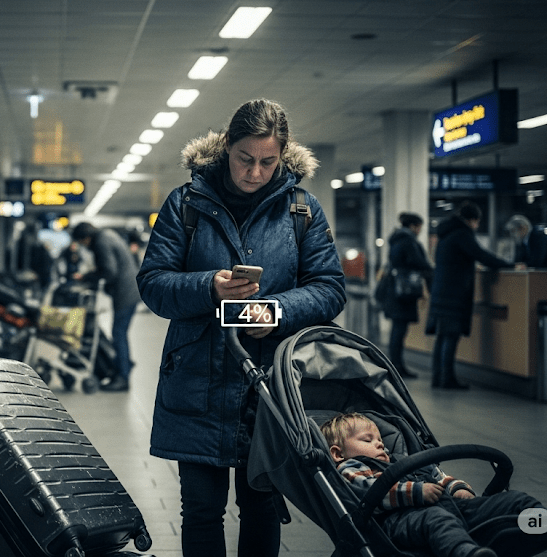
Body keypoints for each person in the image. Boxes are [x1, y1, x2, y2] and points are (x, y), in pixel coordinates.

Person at [137, 98, 346, 557]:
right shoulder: (185, 203)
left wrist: (274, 311)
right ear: (227, 147)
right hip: (196, 379)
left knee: (262, 507)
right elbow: (153, 284)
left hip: (268, 386)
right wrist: (208, 287)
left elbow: (330, 288)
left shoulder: (301, 210)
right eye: (244, 159)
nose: (254, 172)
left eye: (267, 162)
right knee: (202, 511)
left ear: (282, 155)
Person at [321, 413, 547, 557]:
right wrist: (417, 493)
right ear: (337, 453)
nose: (380, 444)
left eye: (380, 440)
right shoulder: (351, 468)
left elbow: (438, 476)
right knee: (436, 518)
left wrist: (457, 488)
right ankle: (465, 553)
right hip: (398, 522)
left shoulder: (403, 461)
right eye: (368, 439)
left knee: (514, 501)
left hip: (452, 509)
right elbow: (370, 492)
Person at [425, 202, 514, 390]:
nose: (477, 226)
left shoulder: (446, 235)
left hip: (442, 291)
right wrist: (510, 265)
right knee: (450, 336)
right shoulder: (462, 234)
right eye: (477, 221)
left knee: (442, 337)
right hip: (454, 293)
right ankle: (447, 379)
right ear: (472, 220)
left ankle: (438, 377)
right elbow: (482, 255)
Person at [70, 221, 140, 392]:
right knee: (119, 332)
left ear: (86, 238)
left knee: (118, 333)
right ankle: (123, 364)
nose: (82, 246)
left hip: (125, 292)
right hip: (131, 289)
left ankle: (123, 376)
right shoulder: (108, 235)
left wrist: (87, 277)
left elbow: (109, 270)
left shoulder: (101, 242)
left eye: (81, 242)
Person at [380, 212, 434, 379]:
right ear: (412, 226)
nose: (420, 231)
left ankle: (395, 365)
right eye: (419, 227)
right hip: (404, 291)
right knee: (399, 329)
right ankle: (397, 367)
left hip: (396, 290)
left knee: (397, 328)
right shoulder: (408, 241)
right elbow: (419, 262)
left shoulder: (396, 239)